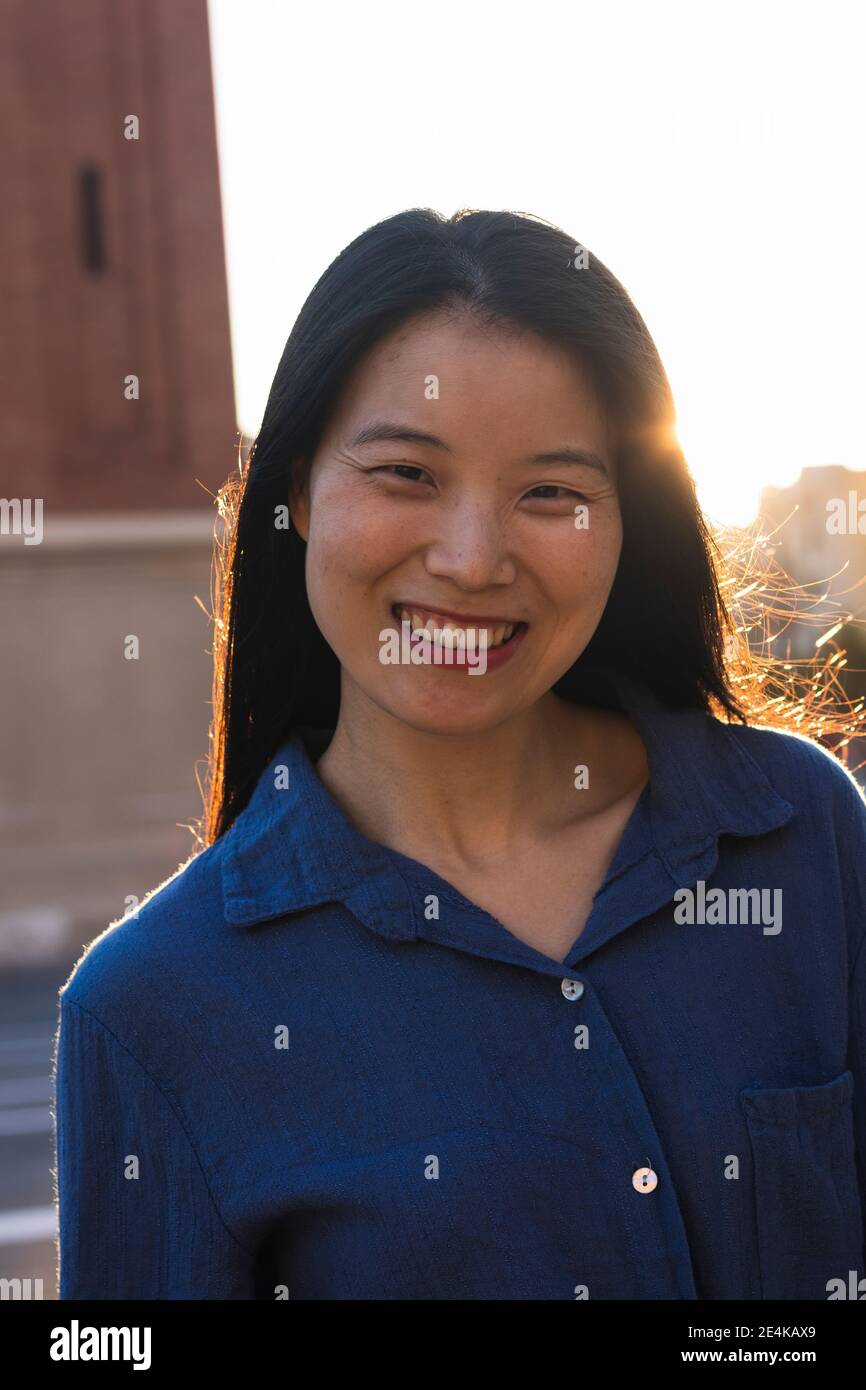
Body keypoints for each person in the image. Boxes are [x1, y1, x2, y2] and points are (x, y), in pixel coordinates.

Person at [53, 208, 866, 1300]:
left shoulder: (800, 832)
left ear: (631, 523)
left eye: (551, 493)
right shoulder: (153, 1008)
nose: (472, 558)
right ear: (293, 488)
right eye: (405, 473)